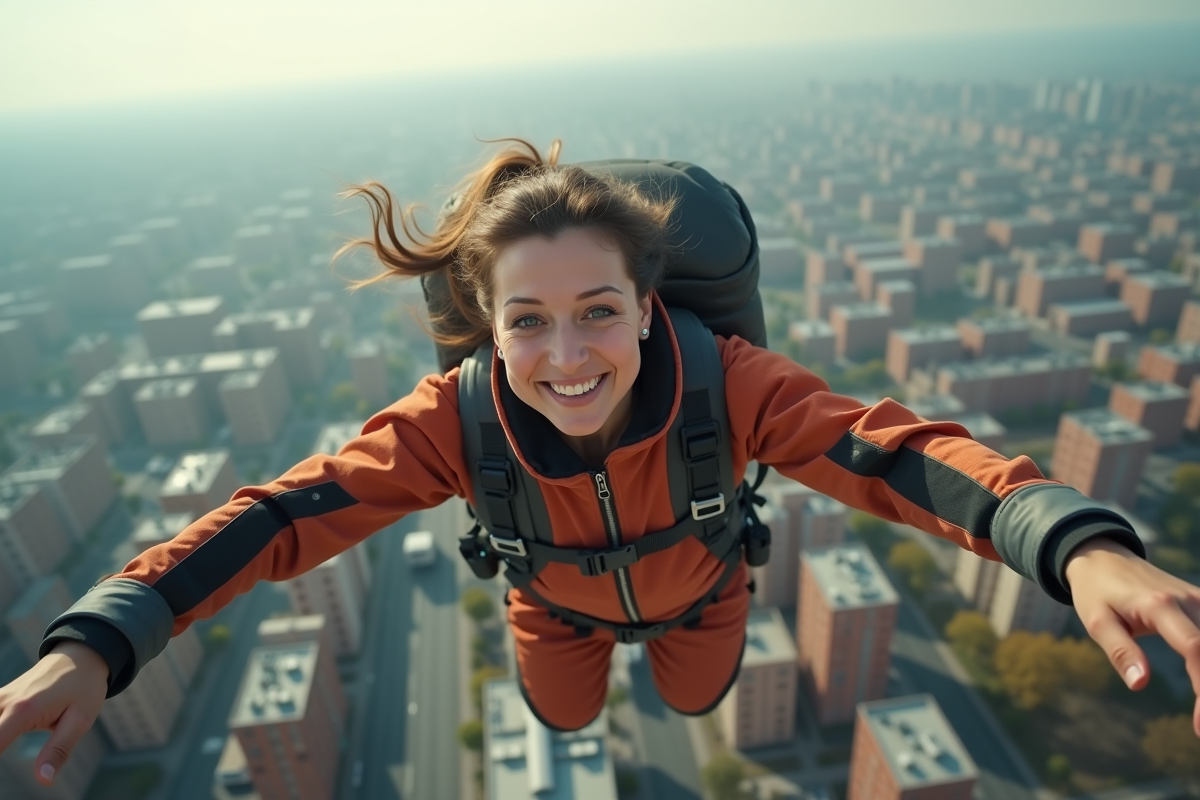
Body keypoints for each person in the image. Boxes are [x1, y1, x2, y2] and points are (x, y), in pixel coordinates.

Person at [2, 139, 1199, 789]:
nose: (566, 355)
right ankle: (580, 680)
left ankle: (675, 674)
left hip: (705, 587)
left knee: (692, 694)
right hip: (551, 608)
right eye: (526, 320)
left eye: (597, 311)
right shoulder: (451, 421)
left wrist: (1074, 542)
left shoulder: (724, 383)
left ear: (645, 306)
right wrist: (106, 636)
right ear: (489, 325)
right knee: (561, 710)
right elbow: (282, 518)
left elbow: (891, 455)